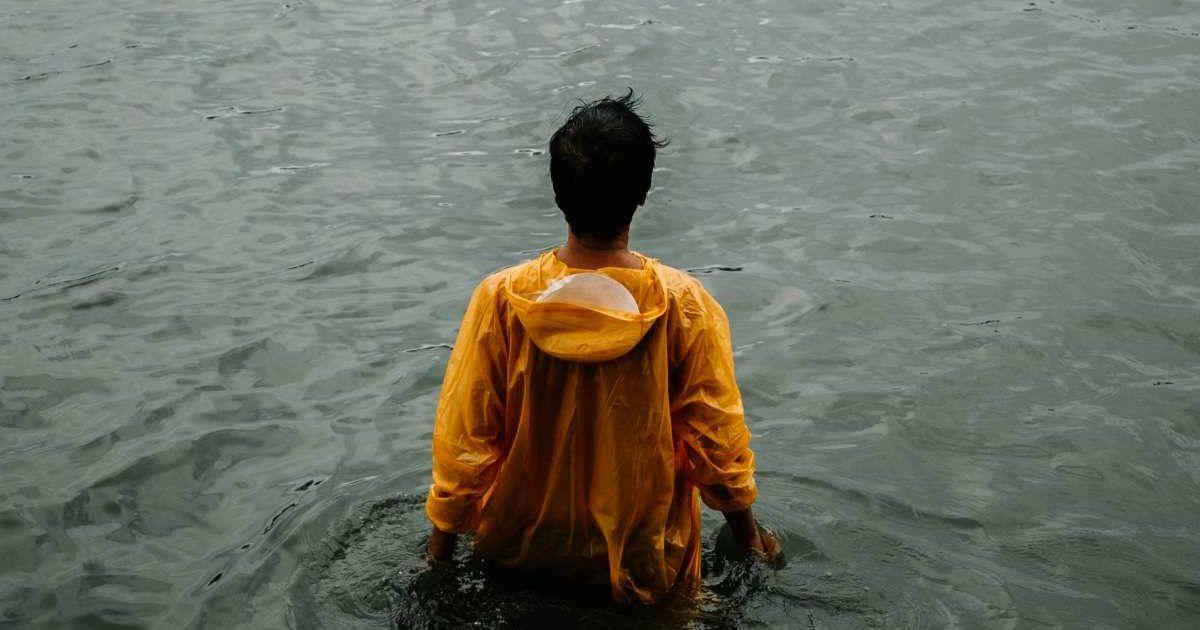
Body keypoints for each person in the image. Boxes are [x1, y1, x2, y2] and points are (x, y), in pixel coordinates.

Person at [424, 90, 779, 604]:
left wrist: (438, 554)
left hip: (518, 554)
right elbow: (715, 441)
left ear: (557, 191)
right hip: (644, 562)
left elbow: (466, 442)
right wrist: (749, 538)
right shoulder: (684, 305)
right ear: (644, 192)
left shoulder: (502, 299)